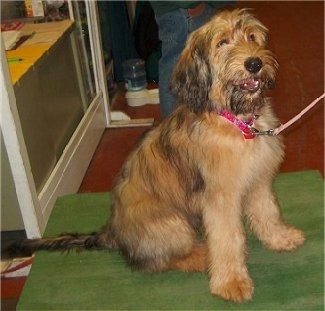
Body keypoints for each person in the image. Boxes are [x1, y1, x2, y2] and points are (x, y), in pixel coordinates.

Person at [150, 1, 235, 118]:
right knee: (176, 66)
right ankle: (174, 127)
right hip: (184, 9)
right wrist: (190, 3)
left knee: (180, 65)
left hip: (187, 8)